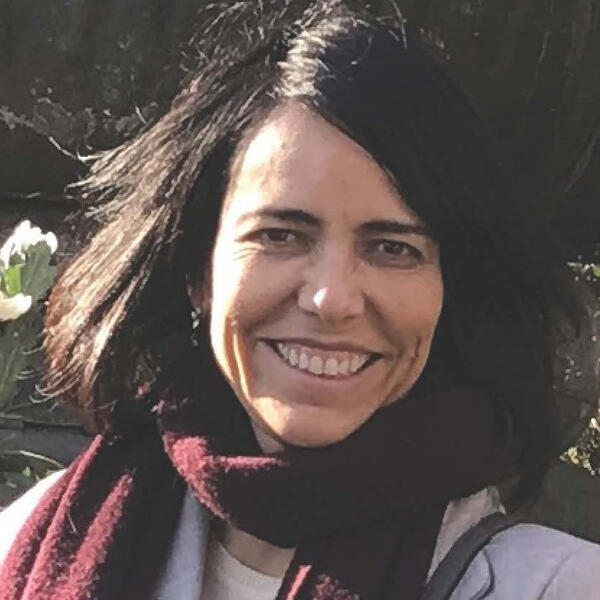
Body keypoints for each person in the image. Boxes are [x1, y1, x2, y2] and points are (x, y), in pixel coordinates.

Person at [1, 1, 599, 598]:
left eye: (392, 248)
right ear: (198, 269)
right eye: (280, 236)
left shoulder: (555, 586)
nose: (331, 299)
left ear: (450, 292)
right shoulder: (35, 539)